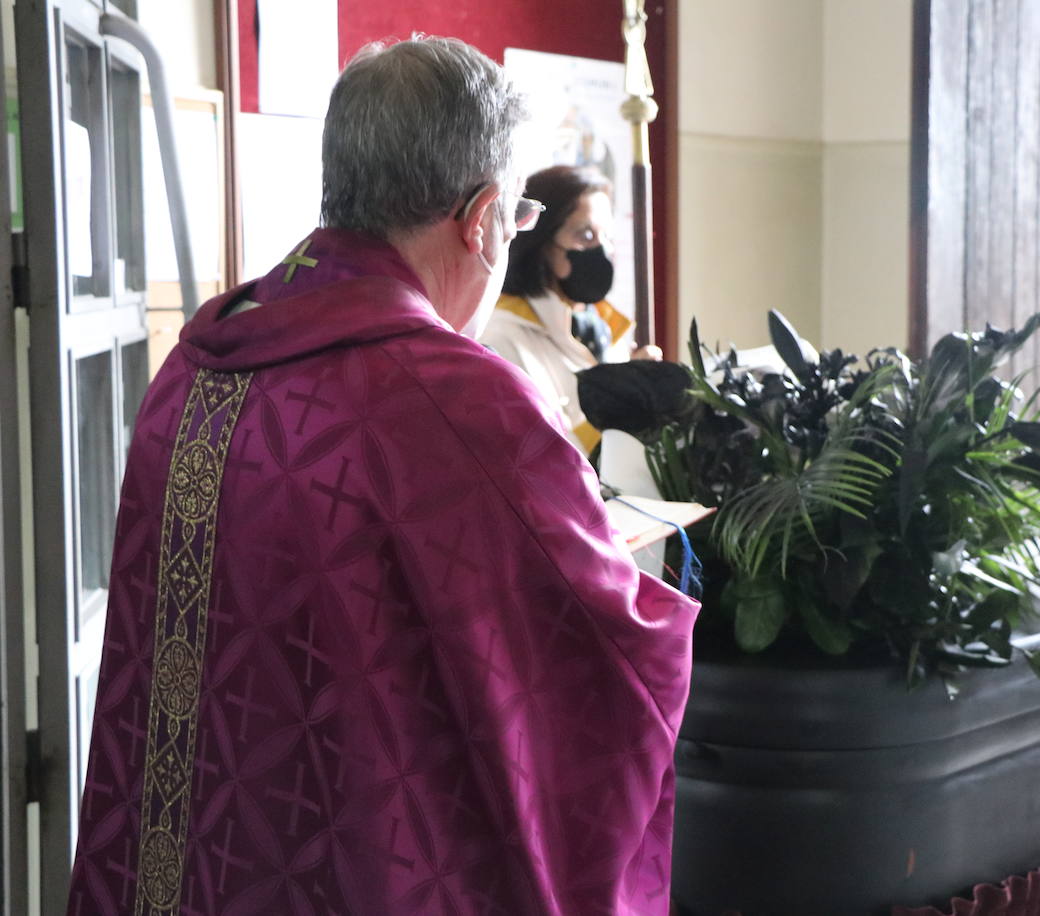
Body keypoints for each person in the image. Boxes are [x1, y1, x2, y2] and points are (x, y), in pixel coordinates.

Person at [66, 36, 697, 916]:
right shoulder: (459, 403)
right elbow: (608, 653)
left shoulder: (198, 364)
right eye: (518, 222)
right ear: (481, 221)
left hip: (207, 854)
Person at [480, 165, 660, 454]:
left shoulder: (605, 329)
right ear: (542, 244)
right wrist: (619, 406)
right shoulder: (503, 338)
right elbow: (547, 454)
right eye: (585, 236)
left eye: (606, 237)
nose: (600, 250)